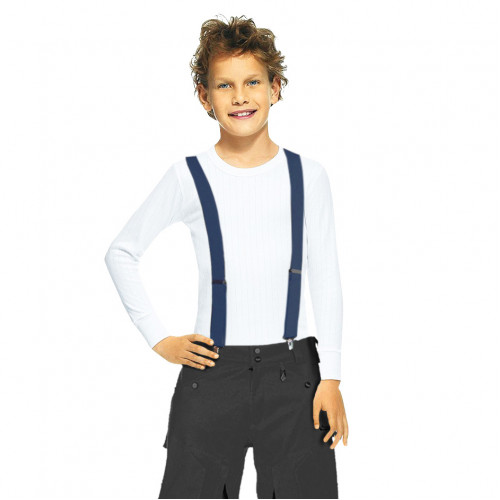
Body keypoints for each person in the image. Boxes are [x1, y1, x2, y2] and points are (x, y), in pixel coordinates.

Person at [104, 14, 348, 499]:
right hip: (211, 376)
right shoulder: (188, 176)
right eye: (224, 85)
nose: (240, 97)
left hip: (295, 374)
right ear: (205, 97)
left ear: (275, 88)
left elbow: (326, 277)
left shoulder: (308, 176)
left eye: (253, 82)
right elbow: (121, 252)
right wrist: (160, 340)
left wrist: (332, 378)